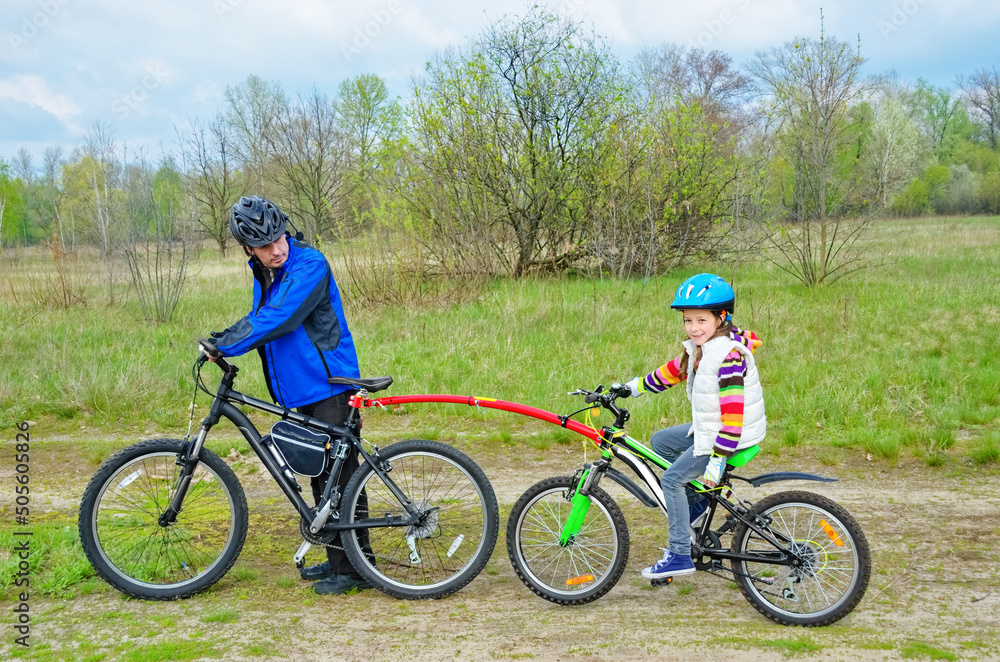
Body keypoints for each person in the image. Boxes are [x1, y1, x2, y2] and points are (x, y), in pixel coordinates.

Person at [204, 195, 373, 595]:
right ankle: (341, 558)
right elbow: (260, 319)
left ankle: (354, 570)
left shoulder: (309, 264)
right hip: (299, 388)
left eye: (278, 239)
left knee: (341, 478)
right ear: (248, 249)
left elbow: (279, 317)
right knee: (318, 473)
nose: (275, 249)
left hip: (329, 384)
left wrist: (224, 342)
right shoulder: (266, 274)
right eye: (264, 246)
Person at [621, 273, 766, 579]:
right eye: (688, 320)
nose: (693, 327)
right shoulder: (702, 348)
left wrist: (716, 459)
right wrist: (631, 388)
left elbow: (733, 416)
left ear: (721, 318)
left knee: (671, 480)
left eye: (701, 320)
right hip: (713, 428)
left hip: (727, 436)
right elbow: (671, 372)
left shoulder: (726, 357)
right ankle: (697, 507)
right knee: (661, 442)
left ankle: (678, 554)